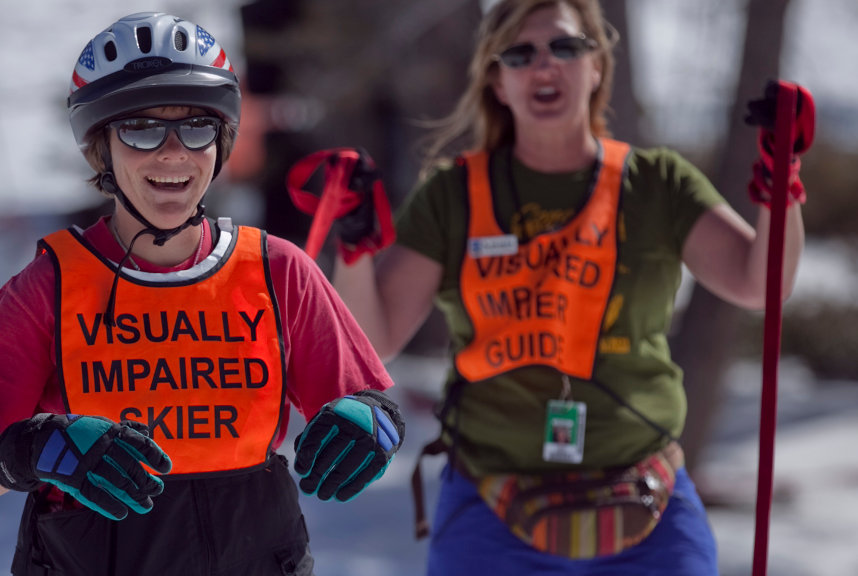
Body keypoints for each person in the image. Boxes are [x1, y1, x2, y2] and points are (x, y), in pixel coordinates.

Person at [327, 0, 811, 574]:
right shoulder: (453, 196)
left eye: (564, 47)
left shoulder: (656, 183)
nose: (544, 66)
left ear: (598, 66)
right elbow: (374, 337)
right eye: (519, 53)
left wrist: (783, 187)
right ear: (498, 82)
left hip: (643, 494)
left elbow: (762, 283)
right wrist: (353, 244)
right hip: (491, 501)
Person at [0, 13, 404, 576]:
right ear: (101, 149)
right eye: (141, 129)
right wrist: (31, 451)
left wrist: (373, 421)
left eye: (198, 127)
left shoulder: (278, 271)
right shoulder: (50, 288)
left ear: (222, 143)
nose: (173, 153)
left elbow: (369, 402)